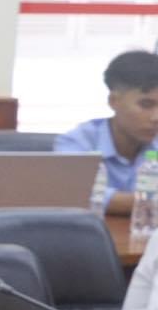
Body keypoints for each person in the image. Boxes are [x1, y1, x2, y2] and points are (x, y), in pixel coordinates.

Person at [54, 50, 158, 216]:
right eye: (146, 105)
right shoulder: (78, 142)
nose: (155, 117)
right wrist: (146, 202)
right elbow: (75, 194)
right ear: (113, 101)